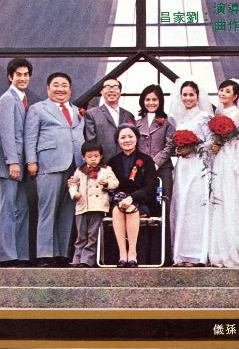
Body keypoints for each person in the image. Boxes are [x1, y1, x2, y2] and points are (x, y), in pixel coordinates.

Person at [24, 72, 85, 267]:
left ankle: (61, 253)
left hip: (74, 165)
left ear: (70, 89)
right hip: (49, 164)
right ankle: (44, 254)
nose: (60, 89)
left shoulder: (76, 111)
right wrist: (31, 161)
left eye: (64, 85)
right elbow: (30, 137)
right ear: (48, 88)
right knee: (47, 209)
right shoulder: (38, 109)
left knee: (67, 210)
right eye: (56, 85)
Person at [169, 78, 213, 267]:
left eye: (191, 95)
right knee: (182, 206)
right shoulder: (178, 118)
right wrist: (179, 149)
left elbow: (211, 142)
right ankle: (181, 254)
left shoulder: (204, 117)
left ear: (197, 96)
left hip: (198, 164)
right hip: (182, 167)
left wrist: (193, 147)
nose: (188, 98)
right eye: (185, 95)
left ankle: (196, 254)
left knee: (196, 207)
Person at [0, 58, 32, 267]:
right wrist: (13, 162)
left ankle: (20, 254)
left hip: (22, 164)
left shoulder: (23, 99)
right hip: (12, 164)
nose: (23, 78)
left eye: (26, 75)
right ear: (10, 77)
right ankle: (5, 255)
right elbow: (7, 133)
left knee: (21, 208)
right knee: (8, 208)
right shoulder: (7, 99)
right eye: (19, 75)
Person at [208, 78, 239, 267]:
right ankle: (220, 250)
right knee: (219, 199)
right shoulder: (217, 115)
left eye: (227, 91)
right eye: (221, 90)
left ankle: (236, 250)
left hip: (232, 161)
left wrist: (235, 158)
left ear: (235, 96)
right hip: (220, 160)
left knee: (232, 198)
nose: (223, 94)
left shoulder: (238, 115)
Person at [107, 124, 158, 268]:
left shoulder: (146, 160)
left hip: (141, 202)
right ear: (117, 141)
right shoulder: (113, 161)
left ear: (137, 138)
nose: (127, 140)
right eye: (122, 137)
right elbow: (110, 184)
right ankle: (122, 254)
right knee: (118, 210)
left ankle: (132, 253)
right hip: (119, 201)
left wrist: (132, 198)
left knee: (130, 209)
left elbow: (150, 186)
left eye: (130, 136)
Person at [135, 84, 175, 265]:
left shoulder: (167, 123)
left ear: (160, 102)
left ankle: (163, 255)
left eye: (154, 100)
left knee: (163, 208)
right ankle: (142, 256)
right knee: (143, 209)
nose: (151, 103)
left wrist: (156, 162)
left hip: (162, 170)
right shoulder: (136, 123)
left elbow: (170, 145)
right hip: (142, 171)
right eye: (148, 99)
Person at [69, 141, 119, 267]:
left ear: (100, 156)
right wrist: (75, 194)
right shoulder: (79, 171)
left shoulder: (106, 170)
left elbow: (115, 182)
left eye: (96, 156)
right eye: (89, 156)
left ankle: (87, 260)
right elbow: (73, 184)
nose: (93, 159)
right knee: (81, 234)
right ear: (83, 157)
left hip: (98, 206)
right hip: (82, 206)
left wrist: (107, 183)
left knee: (92, 234)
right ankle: (77, 258)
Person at [84, 77, 135, 161]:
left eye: (115, 87)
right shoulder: (91, 114)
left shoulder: (129, 115)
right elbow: (91, 143)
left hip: (126, 162)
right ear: (101, 91)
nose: (111, 90)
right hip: (103, 163)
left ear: (120, 92)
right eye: (107, 87)